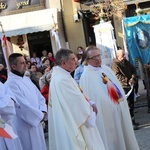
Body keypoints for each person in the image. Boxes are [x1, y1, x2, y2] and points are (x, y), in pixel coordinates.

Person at [79, 46, 139, 150]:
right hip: (105, 115)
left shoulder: (106, 69)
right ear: (87, 60)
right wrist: (109, 105)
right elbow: (92, 98)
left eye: (99, 55)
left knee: (123, 137)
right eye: (94, 57)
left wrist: (120, 102)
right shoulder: (86, 76)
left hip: (118, 110)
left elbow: (117, 88)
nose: (98, 58)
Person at [48, 48, 105, 150]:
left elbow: (78, 93)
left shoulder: (62, 76)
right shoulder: (62, 80)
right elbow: (76, 104)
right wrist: (90, 109)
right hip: (75, 122)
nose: (76, 61)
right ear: (64, 63)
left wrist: (90, 101)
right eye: (73, 59)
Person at [5, 53, 47, 150]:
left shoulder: (26, 79)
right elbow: (22, 106)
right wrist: (40, 116)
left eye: (25, 62)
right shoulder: (11, 84)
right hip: (25, 125)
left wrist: (43, 111)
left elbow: (39, 97)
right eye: (22, 63)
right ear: (13, 66)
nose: (25, 65)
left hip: (37, 121)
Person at [112, 49, 139, 130]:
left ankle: (133, 120)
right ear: (117, 56)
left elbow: (133, 69)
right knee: (126, 105)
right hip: (123, 87)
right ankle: (129, 124)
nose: (124, 57)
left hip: (130, 85)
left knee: (131, 104)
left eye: (124, 55)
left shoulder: (126, 62)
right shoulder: (115, 64)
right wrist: (128, 80)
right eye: (122, 55)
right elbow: (117, 76)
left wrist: (133, 78)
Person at [0, 82, 23, 150]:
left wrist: (10, 99)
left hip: (7, 124)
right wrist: (9, 99)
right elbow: (3, 106)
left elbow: (12, 95)